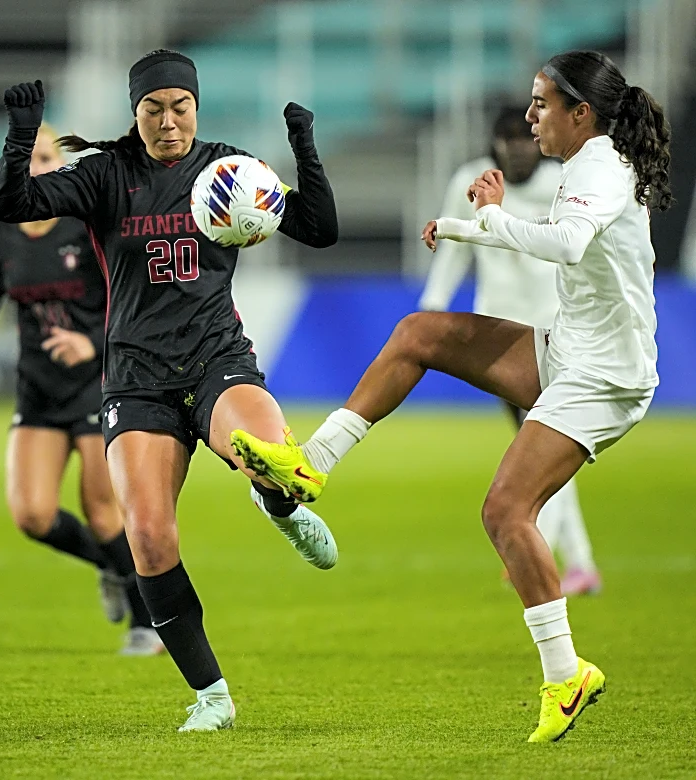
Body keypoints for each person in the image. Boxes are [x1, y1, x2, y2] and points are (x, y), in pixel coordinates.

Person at [231, 50, 671, 742]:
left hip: (604, 377)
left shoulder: (598, 167)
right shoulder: (589, 163)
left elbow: (567, 244)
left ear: (581, 113)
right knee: (419, 333)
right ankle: (310, 462)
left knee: (505, 511)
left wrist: (490, 220)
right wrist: (466, 228)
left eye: (541, 105)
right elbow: (564, 246)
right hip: (566, 348)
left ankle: (567, 673)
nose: (529, 119)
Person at [0, 50, 339, 732]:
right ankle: (212, 695)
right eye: (154, 109)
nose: (168, 121)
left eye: (180, 106)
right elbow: (15, 203)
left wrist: (303, 146)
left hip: (216, 359)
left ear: (196, 108)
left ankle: (279, 505)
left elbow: (318, 229)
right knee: (148, 536)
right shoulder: (104, 176)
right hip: (137, 377)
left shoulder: (228, 169)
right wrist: (19, 133)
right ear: (136, 113)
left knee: (276, 454)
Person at [0, 126, 162, 656]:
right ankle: (112, 568)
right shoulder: (0, 232)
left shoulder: (85, 226)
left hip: (97, 383)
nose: (35, 166)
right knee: (32, 516)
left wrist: (89, 342)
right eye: (27, 158)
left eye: (45, 157)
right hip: (37, 388)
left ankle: (146, 623)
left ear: (61, 164)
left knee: (103, 511)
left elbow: (130, 299)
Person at [419, 106, 601, 596]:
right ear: (495, 144)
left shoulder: (565, 181)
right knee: (544, 447)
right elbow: (453, 249)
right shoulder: (471, 179)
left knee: (544, 445)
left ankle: (555, 553)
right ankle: (577, 562)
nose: (518, 148)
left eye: (525, 139)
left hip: (558, 334)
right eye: (508, 140)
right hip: (501, 337)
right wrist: (431, 312)